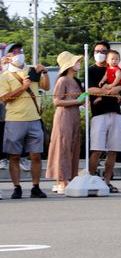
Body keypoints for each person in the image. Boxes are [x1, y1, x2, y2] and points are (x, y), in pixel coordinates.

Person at [1, 42, 49, 198]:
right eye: (14, 52)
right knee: (14, 155)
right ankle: (17, 187)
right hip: (14, 120)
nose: (18, 54)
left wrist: (45, 72)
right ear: (8, 57)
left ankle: (36, 186)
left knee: (36, 154)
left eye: (20, 51)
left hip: (34, 118)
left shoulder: (32, 71)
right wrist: (22, 87)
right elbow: (4, 98)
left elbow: (47, 87)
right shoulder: (5, 76)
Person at [87, 43, 121, 191]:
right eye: (97, 51)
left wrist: (118, 88)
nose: (100, 53)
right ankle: (92, 180)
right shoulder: (91, 70)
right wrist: (107, 92)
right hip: (99, 114)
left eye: (104, 51)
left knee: (113, 150)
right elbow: (89, 89)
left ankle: (107, 181)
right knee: (97, 149)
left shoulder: (115, 70)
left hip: (116, 113)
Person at [47, 51, 84, 193]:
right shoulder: (62, 81)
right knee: (63, 146)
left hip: (74, 116)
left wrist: (84, 98)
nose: (79, 64)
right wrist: (77, 101)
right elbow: (56, 101)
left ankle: (71, 176)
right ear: (69, 65)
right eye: (76, 61)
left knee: (73, 146)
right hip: (64, 117)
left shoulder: (76, 81)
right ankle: (61, 180)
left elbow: (81, 97)